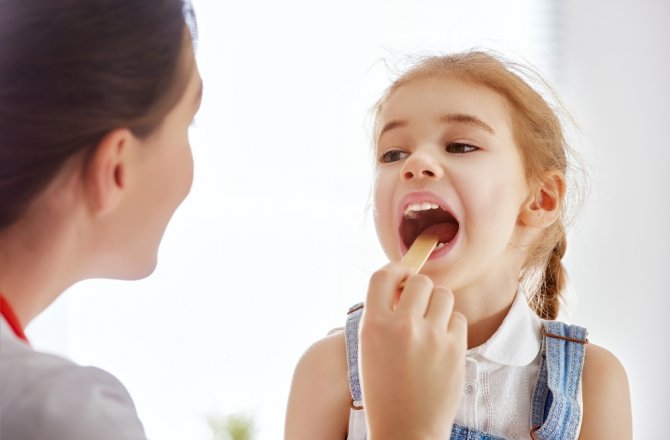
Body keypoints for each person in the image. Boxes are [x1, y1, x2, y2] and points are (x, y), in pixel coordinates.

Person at [0, 1, 462, 439]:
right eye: (188, 123)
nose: (416, 166)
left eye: (460, 146)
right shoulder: (60, 415)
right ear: (117, 167)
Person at [285, 51, 633, 440]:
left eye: (460, 146)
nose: (415, 163)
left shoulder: (594, 385)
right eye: (393, 153)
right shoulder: (328, 370)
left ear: (541, 200)